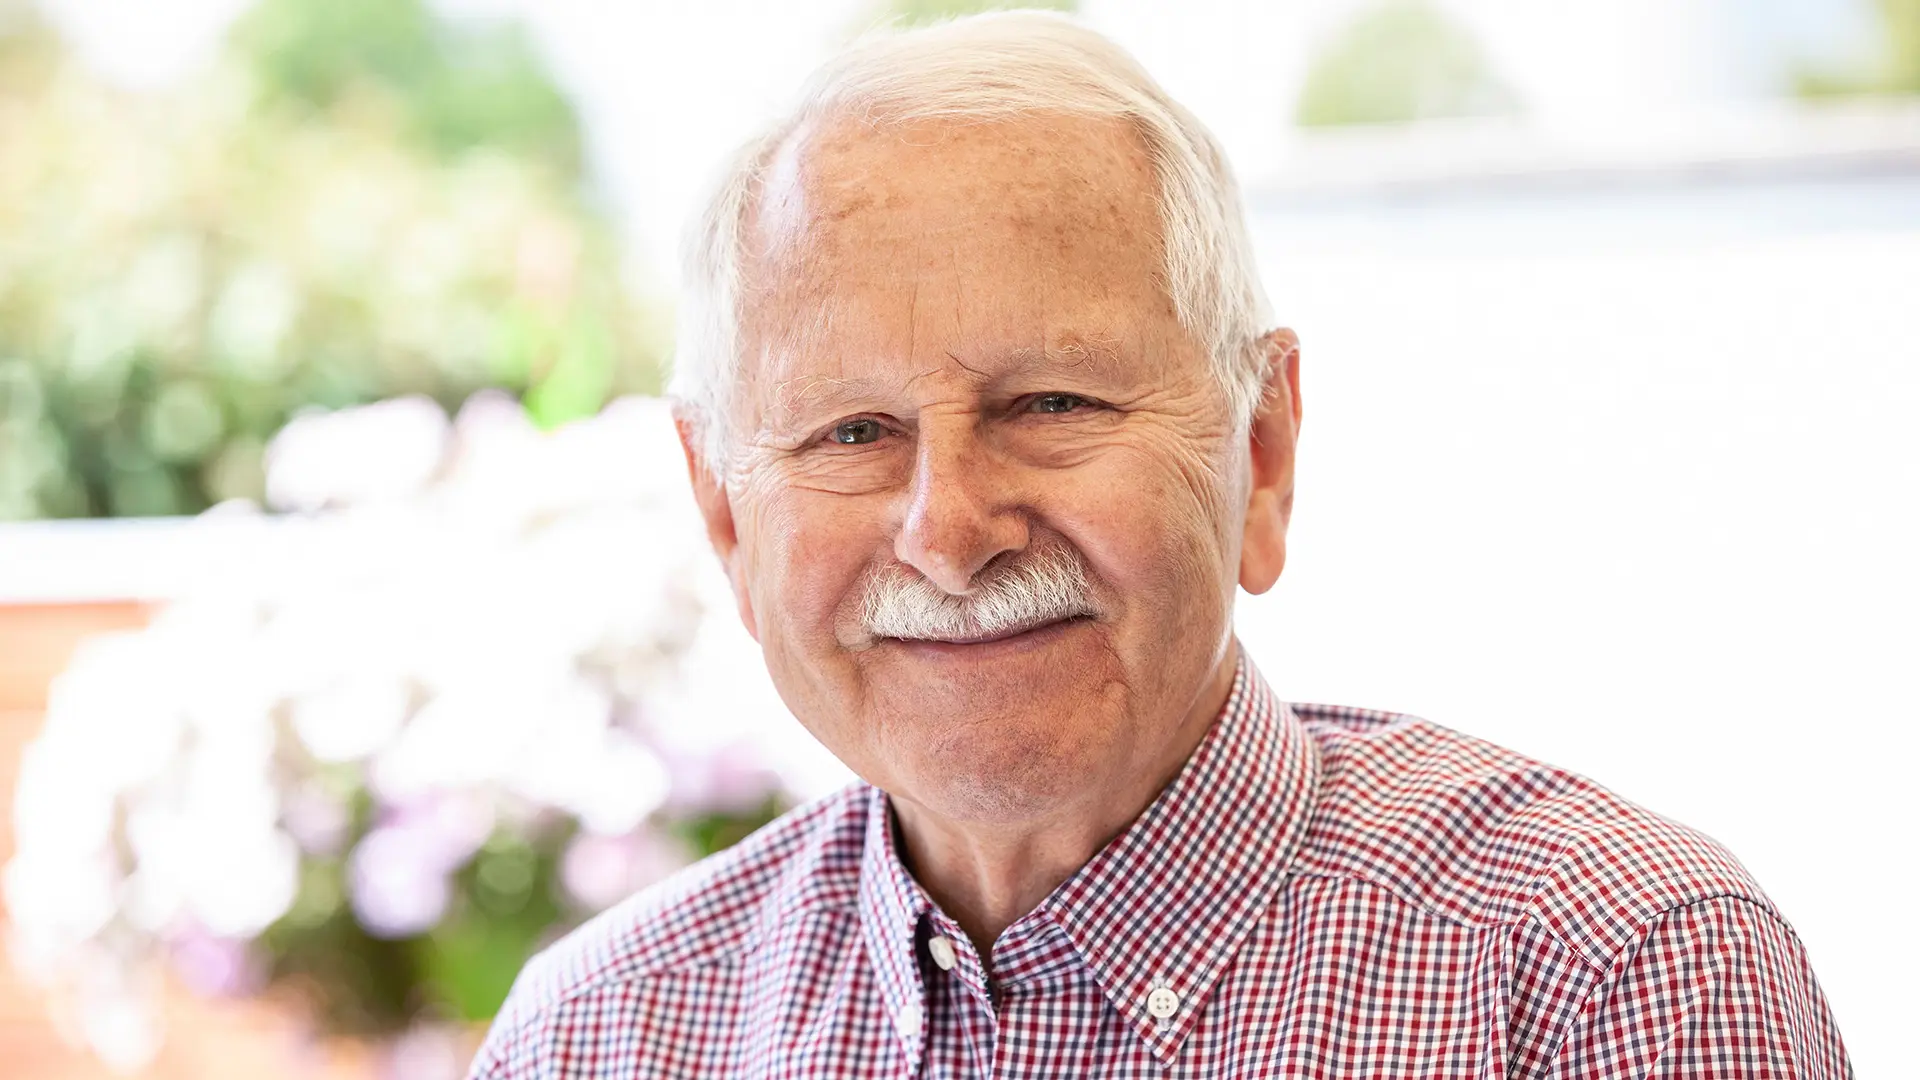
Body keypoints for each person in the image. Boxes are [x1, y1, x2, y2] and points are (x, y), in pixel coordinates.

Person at [469, 11, 1851, 1078]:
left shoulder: (1609, 982)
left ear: (1263, 452)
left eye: (1053, 404)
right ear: (723, 512)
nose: (948, 535)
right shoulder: (597, 1038)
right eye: (853, 432)